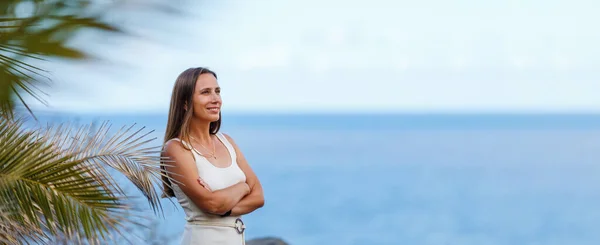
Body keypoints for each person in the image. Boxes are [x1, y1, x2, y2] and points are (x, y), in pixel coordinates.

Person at [160, 67, 265, 245]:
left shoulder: (227, 142)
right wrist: (243, 187)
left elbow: (259, 197)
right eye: (205, 92)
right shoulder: (176, 149)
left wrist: (225, 209)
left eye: (217, 91)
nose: (215, 99)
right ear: (185, 102)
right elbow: (212, 204)